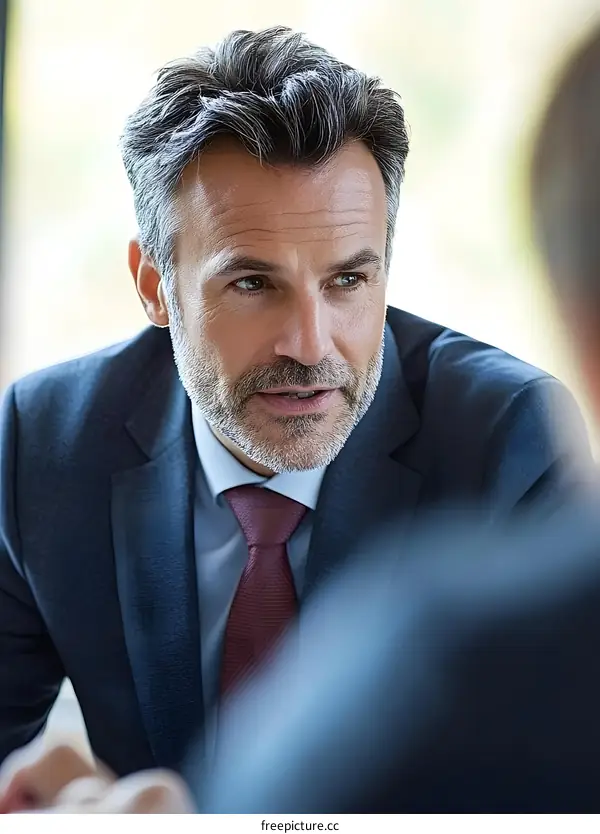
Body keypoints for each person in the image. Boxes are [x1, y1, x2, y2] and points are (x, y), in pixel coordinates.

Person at [0, 25, 591, 780]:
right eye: (252, 284)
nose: (310, 345)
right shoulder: (40, 446)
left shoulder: (514, 444)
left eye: (348, 280)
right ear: (153, 286)